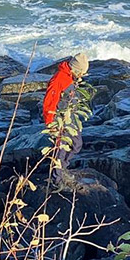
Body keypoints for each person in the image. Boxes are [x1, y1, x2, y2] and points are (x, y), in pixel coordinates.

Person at [42, 53, 89, 181]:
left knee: (76, 144)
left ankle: (62, 168)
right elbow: (49, 102)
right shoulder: (59, 79)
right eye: (81, 73)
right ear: (76, 69)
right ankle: (56, 179)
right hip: (59, 119)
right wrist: (50, 123)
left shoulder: (71, 77)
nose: (81, 76)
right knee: (61, 149)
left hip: (71, 118)